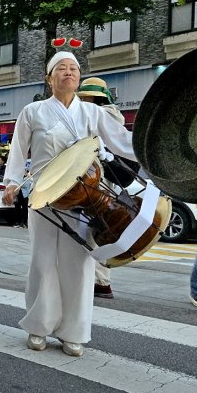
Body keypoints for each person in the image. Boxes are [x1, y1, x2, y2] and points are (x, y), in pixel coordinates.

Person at [2, 51, 135, 357]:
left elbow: (122, 142)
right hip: (43, 196)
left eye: (74, 68)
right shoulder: (33, 111)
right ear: (50, 79)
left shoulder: (92, 113)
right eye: (61, 68)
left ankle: (73, 331)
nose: (68, 72)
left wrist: (152, 150)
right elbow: (19, 152)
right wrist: (11, 183)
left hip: (85, 198)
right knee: (42, 261)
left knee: (80, 264)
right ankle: (38, 326)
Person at [77, 77, 123, 300]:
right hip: (108, 183)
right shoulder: (115, 116)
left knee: (92, 231)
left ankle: (98, 281)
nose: (82, 100)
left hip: (95, 181)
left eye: (85, 97)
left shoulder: (95, 116)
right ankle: (102, 281)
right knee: (103, 229)